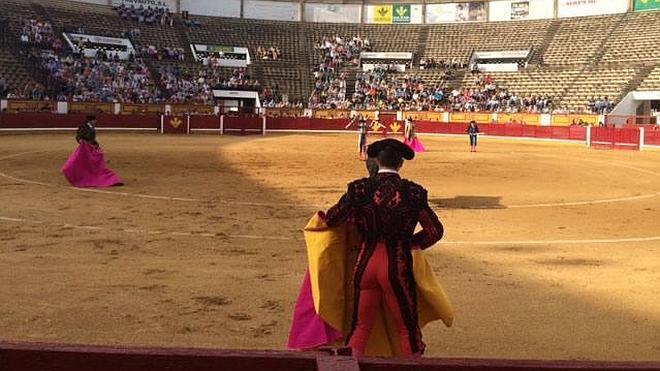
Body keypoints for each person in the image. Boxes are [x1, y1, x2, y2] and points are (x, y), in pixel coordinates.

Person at [322, 139, 444, 357]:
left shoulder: (359, 189)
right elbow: (435, 231)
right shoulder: (413, 192)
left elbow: (332, 218)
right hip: (396, 265)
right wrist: (410, 245)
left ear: (376, 161)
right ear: (401, 164)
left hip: (365, 264)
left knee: (360, 327)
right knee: (408, 330)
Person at [62, 116, 122, 188]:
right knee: (83, 162)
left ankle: (91, 174)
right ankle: (83, 175)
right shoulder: (83, 127)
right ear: (90, 121)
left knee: (97, 158)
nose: (95, 122)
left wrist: (97, 144)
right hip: (85, 148)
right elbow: (78, 136)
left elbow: (92, 139)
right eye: (94, 121)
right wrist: (80, 141)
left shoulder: (92, 128)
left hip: (91, 147)